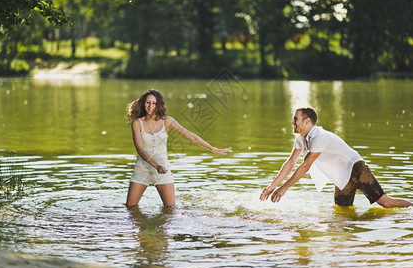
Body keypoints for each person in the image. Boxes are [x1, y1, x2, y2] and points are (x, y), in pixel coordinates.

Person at [260, 107, 413, 208]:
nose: (292, 122)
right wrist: (272, 186)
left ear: (307, 122)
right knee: (342, 213)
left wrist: (284, 189)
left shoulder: (319, 137)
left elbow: (305, 166)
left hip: (357, 169)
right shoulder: (301, 139)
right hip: (342, 177)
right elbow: (291, 163)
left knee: (386, 203)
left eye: (295, 119)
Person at [126, 89, 232, 207]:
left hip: (163, 170)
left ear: (159, 105)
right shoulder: (137, 123)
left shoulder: (167, 121)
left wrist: (213, 149)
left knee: (170, 210)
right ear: (143, 103)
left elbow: (190, 135)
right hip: (142, 169)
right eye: (148, 102)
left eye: (154, 103)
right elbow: (140, 149)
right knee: (130, 209)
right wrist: (156, 166)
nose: (151, 106)